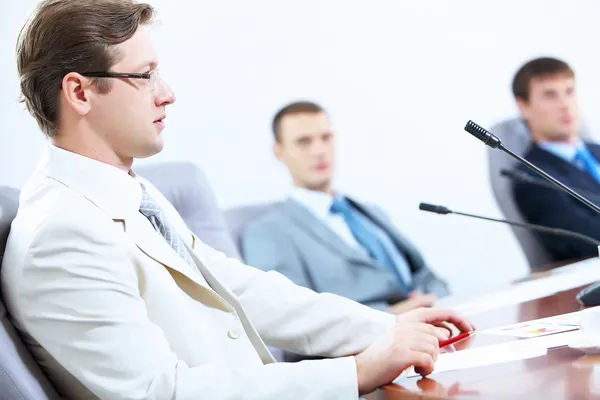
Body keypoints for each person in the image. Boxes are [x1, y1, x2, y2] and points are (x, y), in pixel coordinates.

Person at [0, 1, 472, 399]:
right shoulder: (62, 233)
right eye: (144, 76)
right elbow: (161, 392)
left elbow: (237, 288)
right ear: (79, 91)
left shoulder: (127, 190)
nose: (168, 94)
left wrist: (385, 330)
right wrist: (357, 371)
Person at [242, 101, 449, 315]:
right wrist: (388, 316)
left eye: (326, 138)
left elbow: (424, 275)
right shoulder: (268, 232)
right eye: (304, 142)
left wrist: (435, 301)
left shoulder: (370, 213)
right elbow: (289, 317)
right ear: (279, 151)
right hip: (375, 341)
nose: (319, 150)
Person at [511, 57, 600, 262]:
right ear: (523, 106)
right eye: (550, 95)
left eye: (569, 92)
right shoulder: (530, 177)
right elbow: (585, 241)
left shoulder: (597, 151)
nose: (565, 104)